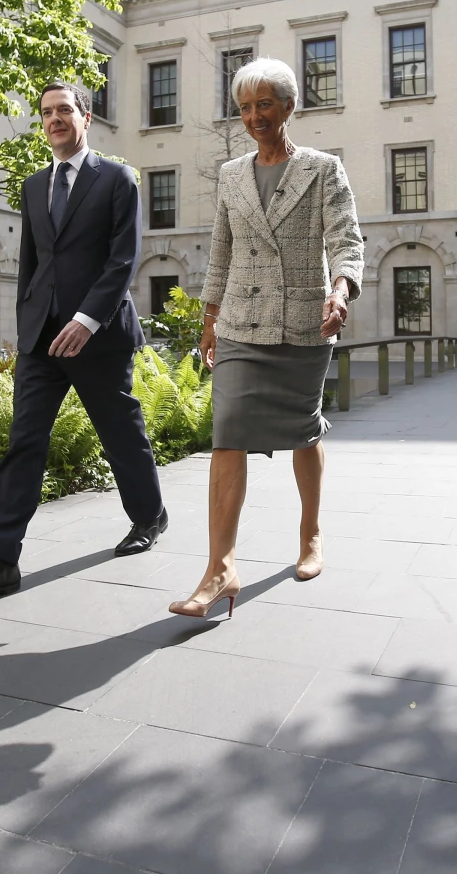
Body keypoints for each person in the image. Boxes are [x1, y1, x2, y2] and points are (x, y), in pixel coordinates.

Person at [0, 83, 168, 601]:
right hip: (42, 339)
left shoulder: (117, 178)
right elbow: (33, 263)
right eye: (46, 113)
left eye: (64, 110)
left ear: (85, 117)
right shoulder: (31, 186)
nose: (55, 119)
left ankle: (149, 516)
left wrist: (88, 318)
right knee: (24, 442)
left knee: (120, 434)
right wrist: (28, 319)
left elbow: (122, 259)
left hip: (99, 336)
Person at [168, 57, 363, 619]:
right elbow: (222, 250)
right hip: (240, 324)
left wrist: (342, 290)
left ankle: (311, 535)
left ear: (289, 107)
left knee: (304, 431)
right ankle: (220, 567)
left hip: (305, 322)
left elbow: (346, 239)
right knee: (227, 435)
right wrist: (209, 319)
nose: (254, 116)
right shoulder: (232, 174)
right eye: (245, 107)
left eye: (265, 105)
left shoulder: (324, 169)